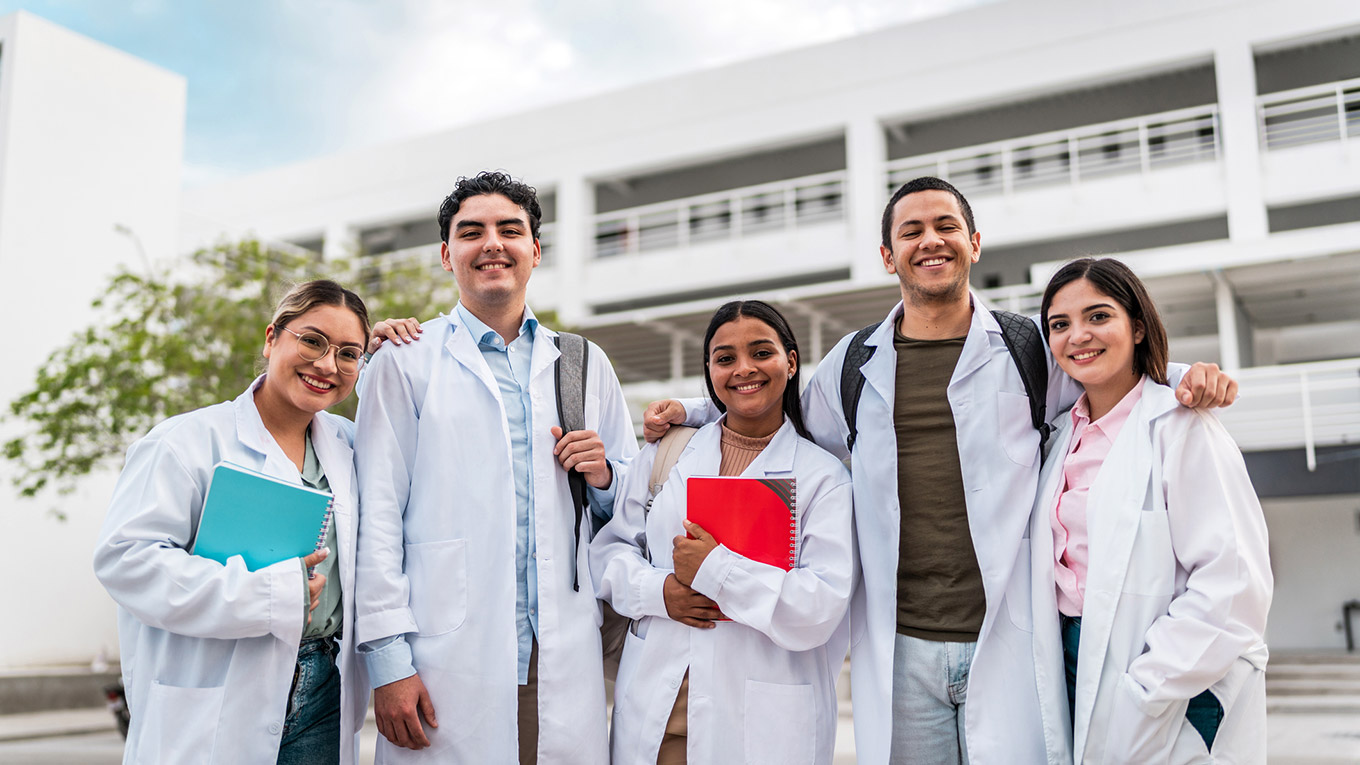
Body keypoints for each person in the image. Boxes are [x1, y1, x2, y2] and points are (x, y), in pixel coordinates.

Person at [644, 177, 1240, 764]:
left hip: (1009, 637)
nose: (931, 240)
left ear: (974, 244)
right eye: (912, 231)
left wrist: (1183, 374)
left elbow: (1104, 369)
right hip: (902, 647)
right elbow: (779, 412)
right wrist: (698, 410)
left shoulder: (1027, 347)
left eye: (946, 226)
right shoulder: (854, 364)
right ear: (888, 256)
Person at [352, 171, 639, 763]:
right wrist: (387, 661)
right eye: (471, 231)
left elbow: (632, 512)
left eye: (511, 230)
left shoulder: (582, 364)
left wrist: (605, 477)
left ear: (535, 250)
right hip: (443, 657)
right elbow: (376, 517)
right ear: (446, 254)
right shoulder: (404, 362)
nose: (492, 244)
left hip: (558, 652)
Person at [93, 280, 418, 764]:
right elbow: (126, 561)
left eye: (348, 354)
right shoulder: (184, 443)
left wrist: (399, 356)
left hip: (326, 686)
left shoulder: (351, 446)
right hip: (217, 685)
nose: (327, 364)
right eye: (312, 341)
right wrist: (269, 594)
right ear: (271, 339)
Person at [1029, 257, 1271, 764]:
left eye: (1098, 317)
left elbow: (1233, 580)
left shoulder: (1182, 428)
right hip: (1072, 661)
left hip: (1171, 672)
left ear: (1137, 326)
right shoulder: (1057, 438)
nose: (1079, 336)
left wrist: (1148, 685)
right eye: (1060, 324)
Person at [592, 300, 855, 765]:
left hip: (765, 719)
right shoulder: (666, 454)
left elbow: (821, 605)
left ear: (791, 362)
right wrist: (661, 592)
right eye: (725, 358)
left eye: (761, 352)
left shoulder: (823, 476)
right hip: (661, 707)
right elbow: (609, 554)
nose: (744, 369)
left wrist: (715, 571)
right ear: (709, 370)